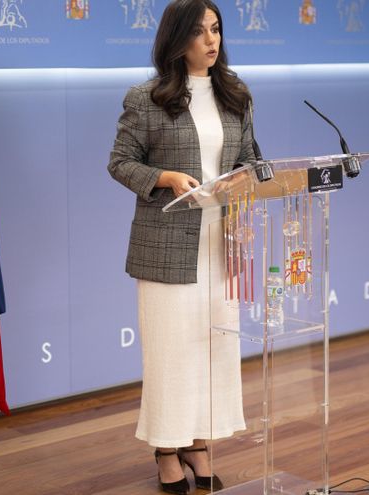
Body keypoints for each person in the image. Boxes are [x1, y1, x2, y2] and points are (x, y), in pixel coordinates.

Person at [107, 1, 260, 493]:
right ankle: (167, 450)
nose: (210, 41)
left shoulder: (236, 94)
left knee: (213, 346)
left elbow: (253, 160)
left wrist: (256, 184)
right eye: (198, 32)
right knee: (172, 352)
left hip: (224, 242)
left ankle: (198, 441)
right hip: (167, 243)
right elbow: (120, 162)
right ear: (177, 40)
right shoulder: (146, 98)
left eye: (215, 30)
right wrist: (165, 177)